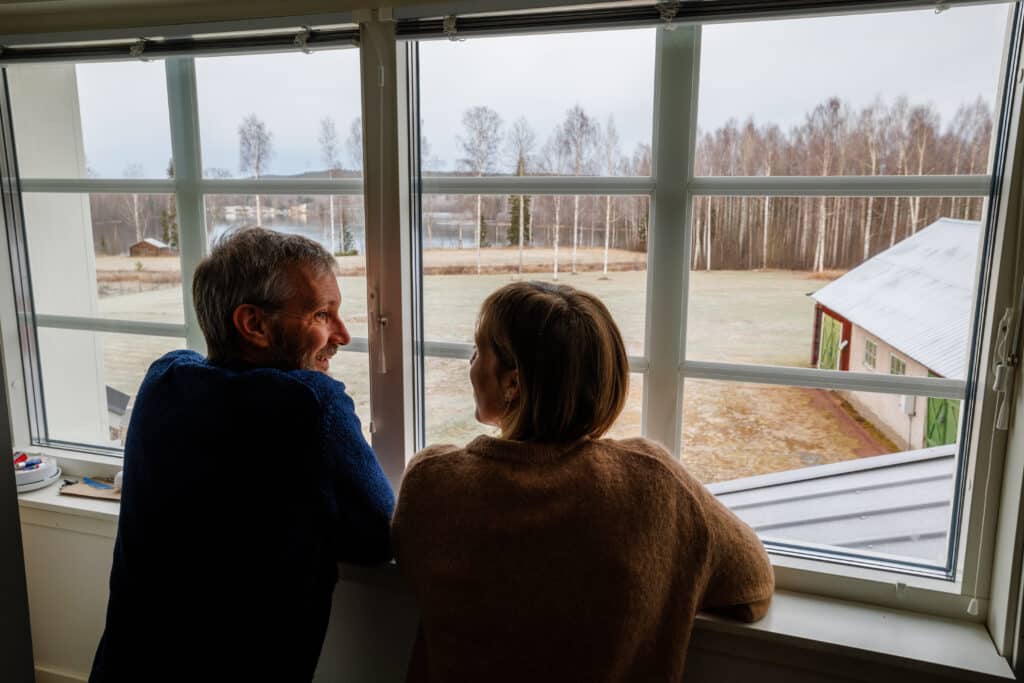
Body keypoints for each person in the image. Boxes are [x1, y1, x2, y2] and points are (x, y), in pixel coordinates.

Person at [392, 281, 774, 682]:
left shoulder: (431, 484)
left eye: (479, 350)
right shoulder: (655, 484)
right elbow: (752, 586)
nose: (470, 363)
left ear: (513, 383)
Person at [90, 228, 395, 683]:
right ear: (253, 324)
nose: (344, 335)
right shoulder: (311, 405)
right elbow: (376, 537)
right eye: (321, 314)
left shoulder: (163, 381)